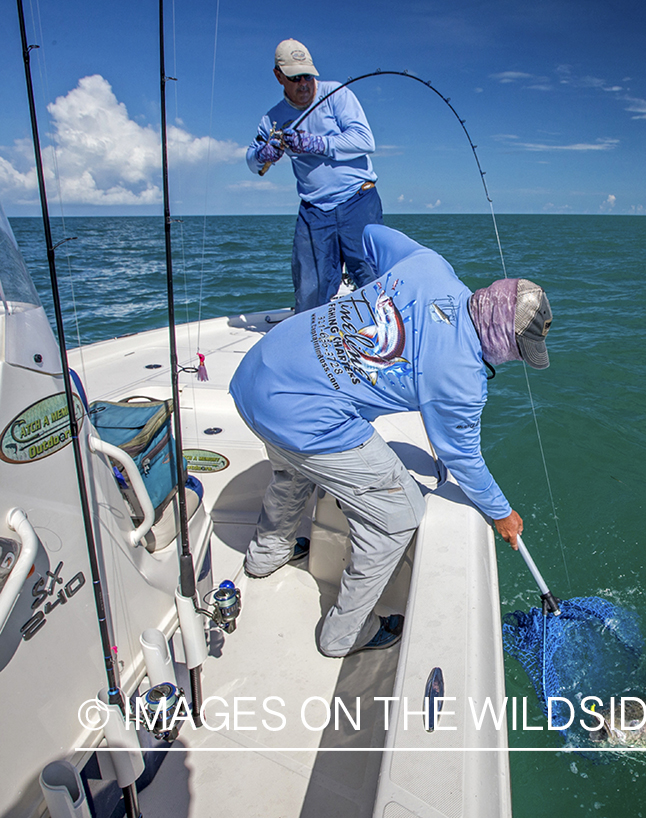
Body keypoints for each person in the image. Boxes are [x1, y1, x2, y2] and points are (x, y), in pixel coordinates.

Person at [229, 225, 552, 657]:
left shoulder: (430, 267)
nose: (515, 357)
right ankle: (344, 634)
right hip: (300, 413)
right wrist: (502, 514)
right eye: (518, 348)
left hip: (260, 371)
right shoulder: (462, 379)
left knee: (294, 465)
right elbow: (464, 459)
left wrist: (375, 295)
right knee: (399, 513)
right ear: (503, 340)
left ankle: (267, 553)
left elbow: (371, 235)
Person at [247, 38, 384, 313]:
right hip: (314, 211)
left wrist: (319, 144)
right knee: (309, 290)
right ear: (279, 77)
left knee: (371, 279)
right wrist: (265, 155)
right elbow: (252, 162)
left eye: (308, 76)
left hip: (358, 199)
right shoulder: (272, 118)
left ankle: (386, 342)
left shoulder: (337, 94)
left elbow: (365, 140)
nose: (304, 84)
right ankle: (312, 345)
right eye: (295, 78)